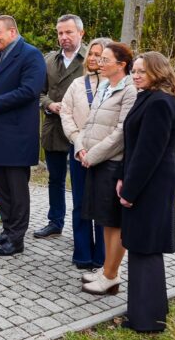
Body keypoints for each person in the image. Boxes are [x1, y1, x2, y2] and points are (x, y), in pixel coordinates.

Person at [118, 52, 175, 332]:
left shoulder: (159, 103)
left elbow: (148, 154)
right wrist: (124, 178)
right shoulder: (148, 97)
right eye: (134, 70)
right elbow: (134, 147)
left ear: (158, 71)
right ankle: (149, 311)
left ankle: (146, 320)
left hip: (152, 185)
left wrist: (130, 191)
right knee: (143, 247)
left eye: (142, 71)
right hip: (146, 181)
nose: (136, 75)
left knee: (146, 247)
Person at [0, 15, 46, 257]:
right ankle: (7, 230)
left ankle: (17, 240)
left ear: (13, 32)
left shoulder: (30, 55)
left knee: (17, 190)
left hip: (17, 135)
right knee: (1, 188)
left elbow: (29, 90)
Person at [76, 42, 137, 295]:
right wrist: (80, 146)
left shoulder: (130, 90)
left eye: (106, 59)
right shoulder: (103, 85)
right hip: (93, 160)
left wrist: (94, 155)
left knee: (114, 221)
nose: (100, 63)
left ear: (121, 65)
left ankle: (111, 275)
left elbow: (122, 132)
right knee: (105, 221)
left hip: (111, 163)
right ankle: (106, 270)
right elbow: (90, 122)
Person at [34, 14, 87, 239]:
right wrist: (49, 105)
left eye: (69, 32)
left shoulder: (90, 59)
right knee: (55, 178)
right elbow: (38, 93)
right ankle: (55, 222)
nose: (63, 37)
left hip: (82, 133)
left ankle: (82, 229)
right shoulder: (49, 60)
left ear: (81, 33)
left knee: (81, 184)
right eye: (60, 33)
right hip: (54, 129)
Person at [60, 38, 111, 270]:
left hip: (106, 154)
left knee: (102, 204)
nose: (92, 58)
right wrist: (78, 144)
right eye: (90, 54)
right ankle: (82, 253)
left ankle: (102, 254)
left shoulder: (117, 85)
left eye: (99, 55)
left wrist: (100, 149)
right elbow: (66, 114)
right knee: (80, 202)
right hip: (79, 150)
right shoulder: (77, 85)